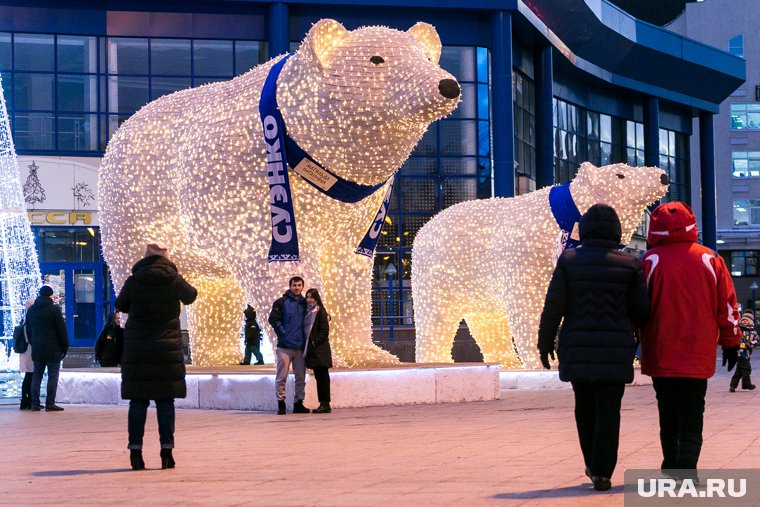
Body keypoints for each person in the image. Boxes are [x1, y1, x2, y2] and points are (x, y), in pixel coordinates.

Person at [538, 204, 650, 492]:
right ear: (616, 230)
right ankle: (603, 471)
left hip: (578, 347)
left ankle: (591, 463)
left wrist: (545, 341)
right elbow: (642, 312)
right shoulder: (630, 265)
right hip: (615, 350)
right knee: (610, 411)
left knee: (584, 407)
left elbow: (554, 306)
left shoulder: (569, 260)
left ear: (585, 228)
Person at [639, 202, 740, 480]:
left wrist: (634, 341)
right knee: (694, 405)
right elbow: (728, 305)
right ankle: (688, 464)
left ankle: (671, 461)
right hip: (698, 350)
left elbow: (637, 308)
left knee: (667, 405)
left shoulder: (649, 261)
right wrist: (732, 342)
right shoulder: (710, 259)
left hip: (661, 348)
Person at [116, 242, 197, 471]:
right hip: (166, 350)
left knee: (138, 401)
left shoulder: (135, 279)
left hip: (138, 349)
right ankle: (167, 452)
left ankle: (135, 452)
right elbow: (191, 296)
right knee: (165, 401)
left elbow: (119, 304)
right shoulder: (173, 278)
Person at [269, 276, 309, 415]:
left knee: (300, 377)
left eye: (299, 285)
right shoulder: (281, 302)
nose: (296, 288)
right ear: (290, 286)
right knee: (281, 377)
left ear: (302, 287)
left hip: (300, 347)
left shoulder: (306, 303)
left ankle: (299, 402)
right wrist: (283, 333)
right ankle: (281, 403)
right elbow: (273, 319)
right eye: (294, 285)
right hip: (285, 347)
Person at [26, 285, 68, 412]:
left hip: (38, 348)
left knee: (37, 375)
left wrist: (33, 343)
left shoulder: (32, 310)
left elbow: (28, 330)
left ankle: (35, 403)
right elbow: (61, 330)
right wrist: (64, 347)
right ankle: (50, 403)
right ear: (50, 295)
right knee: (53, 375)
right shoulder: (54, 309)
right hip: (53, 348)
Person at [304, 288, 333, 414]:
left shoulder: (320, 312)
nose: (309, 300)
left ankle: (325, 404)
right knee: (319, 377)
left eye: (312, 297)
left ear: (317, 299)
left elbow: (324, 331)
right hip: (315, 352)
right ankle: (323, 403)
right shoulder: (309, 312)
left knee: (322, 378)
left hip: (320, 351)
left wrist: (314, 342)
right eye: (308, 297)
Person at [730, 311, 758, 392]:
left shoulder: (753, 332)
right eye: (743, 320)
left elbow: (757, 340)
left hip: (748, 354)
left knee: (739, 370)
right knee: (747, 369)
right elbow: (736, 339)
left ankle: (733, 385)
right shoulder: (739, 330)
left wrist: (751, 343)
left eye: (747, 320)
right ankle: (746, 384)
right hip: (740, 353)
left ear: (750, 322)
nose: (744, 321)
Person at [18, 298, 35, 410]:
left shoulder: (24, 318)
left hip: (26, 350)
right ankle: (27, 400)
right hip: (29, 350)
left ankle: (26, 399)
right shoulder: (29, 318)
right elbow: (29, 336)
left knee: (29, 376)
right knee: (30, 375)